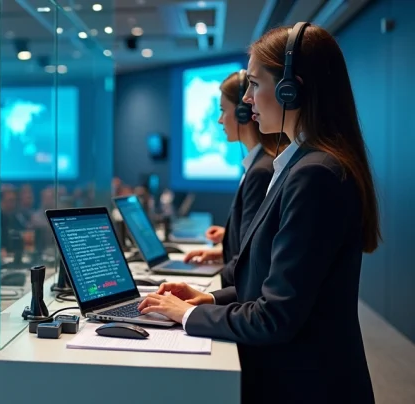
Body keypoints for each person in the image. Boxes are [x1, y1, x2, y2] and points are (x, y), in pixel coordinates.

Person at [138, 23, 378, 404]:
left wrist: (185, 315)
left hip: (304, 387)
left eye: (253, 84)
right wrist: (209, 300)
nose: (247, 100)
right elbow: (274, 284)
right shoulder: (302, 166)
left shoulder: (314, 175)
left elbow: (275, 317)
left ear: (291, 89)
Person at [183, 70, 277, 287]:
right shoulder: (258, 164)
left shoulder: (261, 171)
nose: (219, 120)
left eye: (223, 110)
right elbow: (252, 240)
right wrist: (224, 248)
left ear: (243, 113)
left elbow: (254, 257)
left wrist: (203, 290)